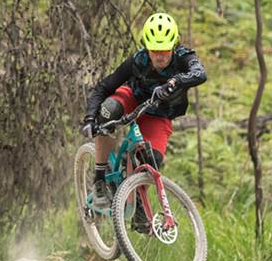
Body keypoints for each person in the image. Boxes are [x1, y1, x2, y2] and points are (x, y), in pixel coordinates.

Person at [81, 11, 207, 210]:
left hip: (160, 112)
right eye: (154, 50)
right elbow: (104, 87)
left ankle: (139, 205)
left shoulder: (184, 57)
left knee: (152, 161)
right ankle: (98, 179)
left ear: (174, 46)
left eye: (165, 50)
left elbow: (200, 74)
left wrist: (176, 81)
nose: (159, 56)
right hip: (132, 97)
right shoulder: (138, 60)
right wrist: (90, 118)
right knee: (109, 110)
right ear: (147, 48)